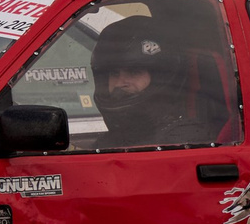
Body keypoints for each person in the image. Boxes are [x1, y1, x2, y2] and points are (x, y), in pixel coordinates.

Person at [89, 18, 229, 149]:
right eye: (114, 74)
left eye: (134, 72)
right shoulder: (112, 141)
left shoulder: (183, 140)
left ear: (160, 78)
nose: (120, 83)